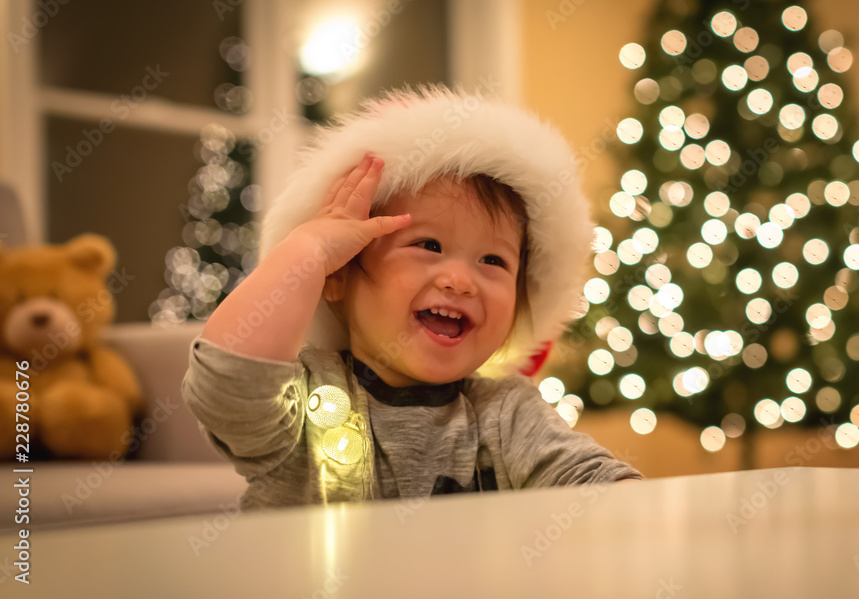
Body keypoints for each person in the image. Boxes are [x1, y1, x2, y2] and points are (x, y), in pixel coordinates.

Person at [181, 85, 643, 509]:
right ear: (338, 278)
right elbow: (228, 385)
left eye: (493, 261)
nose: (461, 281)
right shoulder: (310, 398)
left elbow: (589, 477)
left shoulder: (505, 414)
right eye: (429, 246)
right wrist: (309, 250)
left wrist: (635, 508)